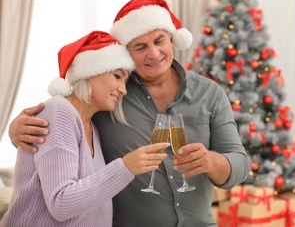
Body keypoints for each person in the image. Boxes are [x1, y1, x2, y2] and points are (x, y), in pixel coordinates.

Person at [8, 0, 249, 226]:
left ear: (172, 39)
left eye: (159, 41)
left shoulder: (210, 93)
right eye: (140, 46)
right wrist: (16, 129)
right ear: (127, 53)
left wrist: (212, 161)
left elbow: (240, 164)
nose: (153, 54)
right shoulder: (111, 97)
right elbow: (69, 110)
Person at [1, 31, 169, 227]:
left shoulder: (91, 125)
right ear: (89, 73)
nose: (123, 90)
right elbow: (61, 203)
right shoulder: (59, 111)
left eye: (125, 81)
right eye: (117, 76)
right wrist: (126, 166)